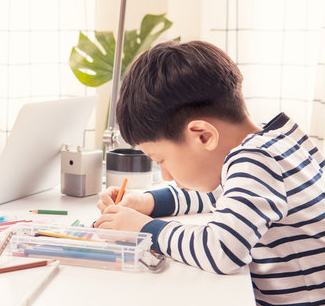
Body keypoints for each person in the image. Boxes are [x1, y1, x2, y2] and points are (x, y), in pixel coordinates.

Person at [94, 41, 325, 305]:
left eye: (162, 159)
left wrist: (144, 228)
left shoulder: (255, 160)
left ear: (203, 136)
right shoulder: (276, 141)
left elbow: (222, 250)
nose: (166, 175)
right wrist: (150, 201)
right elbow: (225, 196)